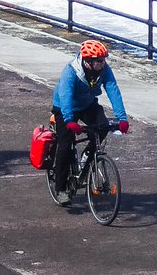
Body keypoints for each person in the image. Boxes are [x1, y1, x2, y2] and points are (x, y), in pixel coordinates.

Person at [50, 39, 130, 205]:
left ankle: (89, 156)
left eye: (104, 60)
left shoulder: (104, 70)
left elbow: (113, 90)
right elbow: (65, 97)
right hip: (65, 107)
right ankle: (61, 188)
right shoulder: (71, 71)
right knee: (65, 144)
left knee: (102, 128)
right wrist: (69, 120)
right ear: (88, 62)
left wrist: (122, 118)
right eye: (99, 60)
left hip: (87, 104)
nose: (103, 63)